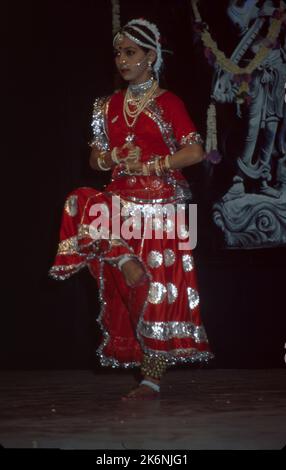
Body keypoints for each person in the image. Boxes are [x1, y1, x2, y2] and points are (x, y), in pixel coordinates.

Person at [49, 18, 214, 400]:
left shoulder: (167, 102)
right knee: (79, 201)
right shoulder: (105, 105)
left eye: (130, 53)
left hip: (160, 206)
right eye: (118, 53)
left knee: (154, 293)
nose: (122, 60)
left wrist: (154, 164)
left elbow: (195, 150)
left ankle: (151, 380)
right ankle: (123, 257)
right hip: (120, 199)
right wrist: (114, 157)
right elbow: (95, 159)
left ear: (150, 57)